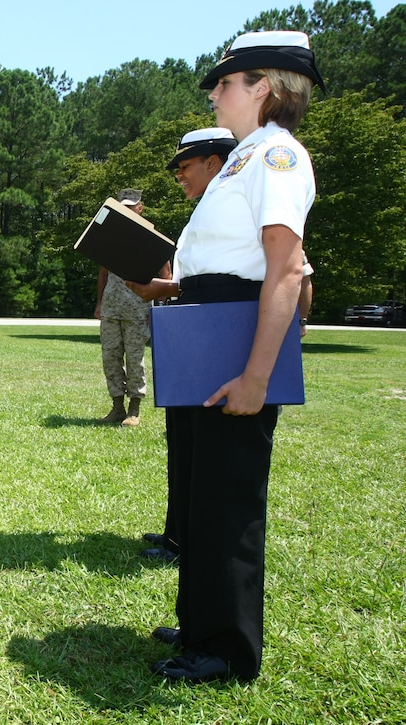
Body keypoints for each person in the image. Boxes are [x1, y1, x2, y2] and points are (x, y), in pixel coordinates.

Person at [142, 31, 323, 684]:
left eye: (225, 83)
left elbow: (282, 272)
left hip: (236, 336)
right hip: (209, 327)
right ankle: (200, 621)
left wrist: (257, 374)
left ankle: (227, 646)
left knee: (229, 498)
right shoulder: (248, 159)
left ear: (264, 88)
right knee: (200, 493)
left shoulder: (278, 156)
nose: (215, 94)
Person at [128, 128, 238, 564]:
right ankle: (178, 535)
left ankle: (188, 542)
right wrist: (163, 288)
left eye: (184, 166)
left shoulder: (234, 206)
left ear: (214, 162)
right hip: (191, 335)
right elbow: (193, 281)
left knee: (204, 450)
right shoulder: (203, 212)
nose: (178, 176)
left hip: (213, 339)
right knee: (184, 443)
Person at [94, 189, 169, 427]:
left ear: (140, 208)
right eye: (122, 207)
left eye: (131, 206)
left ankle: (134, 410)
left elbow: (166, 276)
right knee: (111, 358)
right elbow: (103, 273)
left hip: (138, 310)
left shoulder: (152, 238)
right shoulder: (111, 239)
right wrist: (99, 304)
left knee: (135, 359)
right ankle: (117, 407)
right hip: (111, 309)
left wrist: (160, 310)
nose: (127, 210)